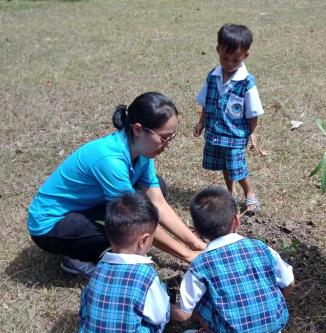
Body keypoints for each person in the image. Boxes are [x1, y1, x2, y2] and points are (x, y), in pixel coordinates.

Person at [27, 92, 205, 277]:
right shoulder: (110, 160)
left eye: (171, 137)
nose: (167, 144)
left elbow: (158, 203)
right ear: (137, 129)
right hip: (50, 225)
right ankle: (75, 258)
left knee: (156, 189)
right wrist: (188, 256)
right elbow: (137, 221)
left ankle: (86, 239)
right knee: (125, 236)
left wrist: (196, 244)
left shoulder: (142, 150)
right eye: (163, 138)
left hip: (83, 207)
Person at [170, 187, 294, 333]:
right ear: (236, 220)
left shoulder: (200, 264)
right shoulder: (261, 247)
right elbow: (288, 282)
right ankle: (268, 329)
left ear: (196, 232)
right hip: (278, 321)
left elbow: (184, 314)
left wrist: (166, 306)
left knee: (199, 301)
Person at [77, 192, 169, 333]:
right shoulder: (146, 276)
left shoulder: (99, 267)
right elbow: (158, 316)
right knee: (163, 312)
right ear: (143, 241)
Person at [193, 24, 264, 213]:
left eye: (236, 59)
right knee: (225, 166)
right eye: (225, 58)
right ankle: (229, 194)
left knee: (237, 166)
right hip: (216, 132)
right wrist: (201, 122)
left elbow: (253, 111)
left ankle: (249, 192)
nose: (230, 63)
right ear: (218, 51)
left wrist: (253, 133)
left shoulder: (246, 81)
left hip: (235, 134)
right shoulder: (213, 76)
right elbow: (207, 102)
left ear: (246, 55)